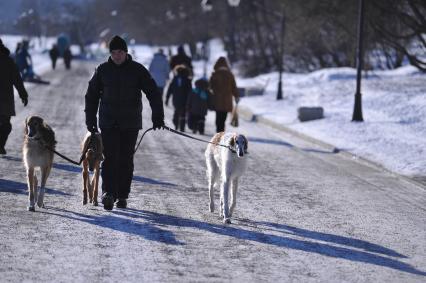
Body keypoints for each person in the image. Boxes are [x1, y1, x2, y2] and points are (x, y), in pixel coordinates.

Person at [84, 35, 164, 210]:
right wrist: (90, 119)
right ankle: (108, 193)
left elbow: (153, 92)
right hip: (108, 121)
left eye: (120, 52)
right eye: (113, 52)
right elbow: (91, 96)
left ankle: (122, 195)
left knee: (126, 159)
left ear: (126, 52)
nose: (117, 56)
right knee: (111, 158)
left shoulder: (138, 70)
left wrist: (158, 116)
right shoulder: (102, 70)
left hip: (130, 122)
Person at [0, 39, 29, 154]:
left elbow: (17, 79)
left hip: (5, 99)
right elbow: (17, 79)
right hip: (6, 100)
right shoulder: (9, 61)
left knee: (5, 125)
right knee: (5, 125)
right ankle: (1, 144)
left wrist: (23, 94)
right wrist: (23, 94)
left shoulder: (8, 61)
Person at [209, 57, 239, 133]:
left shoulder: (215, 74)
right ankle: (221, 131)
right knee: (223, 117)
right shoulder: (230, 75)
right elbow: (234, 87)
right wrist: (236, 96)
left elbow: (210, 86)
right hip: (227, 100)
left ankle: (218, 131)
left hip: (217, 99)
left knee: (218, 116)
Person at [165, 65, 192, 132]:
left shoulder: (175, 79)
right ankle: (181, 127)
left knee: (177, 111)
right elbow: (190, 91)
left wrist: (167, 98)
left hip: (176, 99)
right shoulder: (188, 80)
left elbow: (170, 89)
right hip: (185, 99)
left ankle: (176, 124)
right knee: (183, 113)